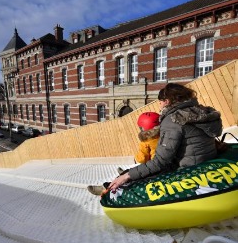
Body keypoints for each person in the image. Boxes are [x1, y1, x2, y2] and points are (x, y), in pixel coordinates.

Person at [88, 83, 223, 195]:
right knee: (138, 170)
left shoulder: (174, 119)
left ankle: (109, 189)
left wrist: (127, 176)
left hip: (186, 169)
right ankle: (112, 182)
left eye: (160, 102)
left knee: (135, 175)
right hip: (204, 163)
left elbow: (160, 162)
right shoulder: (200, 111)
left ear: (167, 101)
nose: (159, 105)